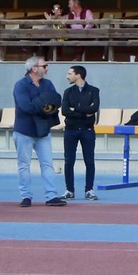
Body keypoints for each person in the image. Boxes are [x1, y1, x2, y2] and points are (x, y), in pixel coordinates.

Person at [12, 57, 64, 208]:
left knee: (47, 164)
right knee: (24, 165)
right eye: (44, 65)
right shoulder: (20, 85)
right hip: (24, 130)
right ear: (34, 68)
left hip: (43, 130)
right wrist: (44, 107)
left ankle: (51, 195)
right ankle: (26, 196)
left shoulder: (48, 84)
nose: (47, 68)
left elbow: (56, 101)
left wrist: (42, 106)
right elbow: (25, 107)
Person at [60, 65, 100, 201]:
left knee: (89, 161)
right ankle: (69, 190)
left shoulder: (94, 91)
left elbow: (94, 108)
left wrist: (75, 109)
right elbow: (64, 110)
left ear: (78, 75)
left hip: (87, 130)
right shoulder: (68, 92)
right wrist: (84, 111)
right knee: (69, 161)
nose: (67, 76)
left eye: (70, 73)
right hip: (70, 130)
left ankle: (89, 190)